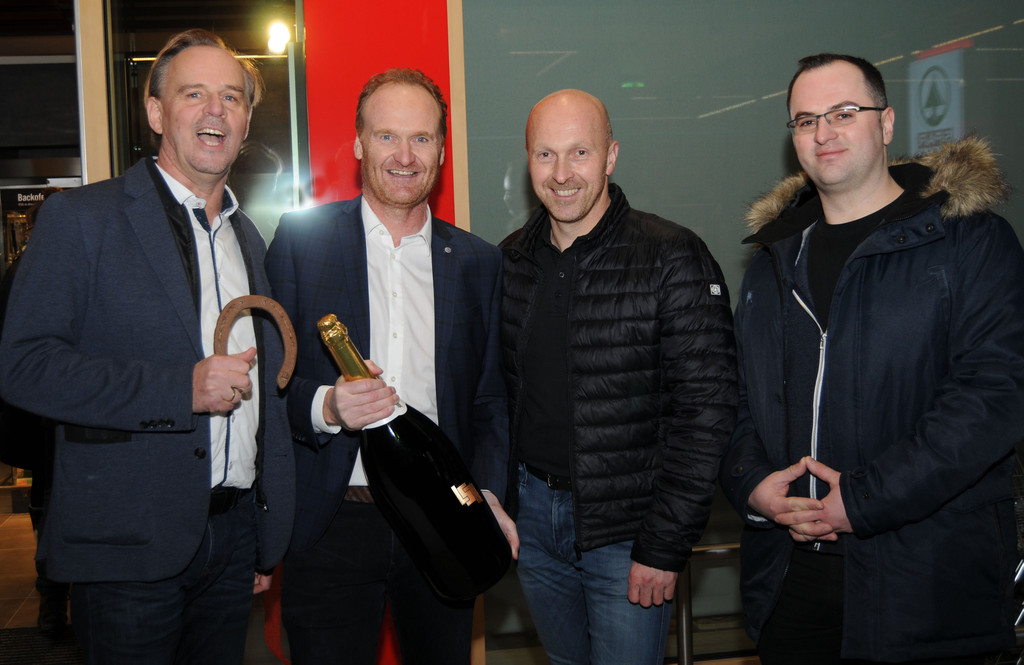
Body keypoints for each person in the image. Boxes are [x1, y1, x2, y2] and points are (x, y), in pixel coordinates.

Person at [0, 29, 294, 664]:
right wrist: (178, 389)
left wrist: (260, 536)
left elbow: (263, 403)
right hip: (128, 547)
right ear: (157, 113)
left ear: (246, 123)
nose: (216, 109)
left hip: (233, 541)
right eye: (195, 94)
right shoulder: (82, 219)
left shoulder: (247, 239)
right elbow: (23, 366)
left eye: (232, 97)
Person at [719, 53, 1024, 664]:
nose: (823, 132)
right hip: (790, 579)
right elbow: (736, 397)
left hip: (927, 581)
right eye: (806, 120)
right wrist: (751, 483)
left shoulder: (968, 241)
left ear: (886, 124)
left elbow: (992, 397)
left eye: (843, 113)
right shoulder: (771, 263)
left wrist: (862, 501)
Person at [264, 68, 508, 665]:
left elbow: (490, 401)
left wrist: (488, 497)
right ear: (358, 144)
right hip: (330, 524)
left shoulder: (477, 262)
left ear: (442, 151)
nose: (404, 156)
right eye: (387, 137)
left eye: (421, 138)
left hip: (444, 522)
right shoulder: (299, 244)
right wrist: (326, 406)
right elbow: (265, 385)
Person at [498, 89, 738, 665]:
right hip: (532, 522)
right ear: (528, 160)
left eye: (579, 152)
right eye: (545, 154)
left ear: (610, 156)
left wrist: (665, 543)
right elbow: (495, 398)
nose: (561, 174)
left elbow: (706, 412)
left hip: (628, 533)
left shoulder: (672, 256)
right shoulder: (508, 262)